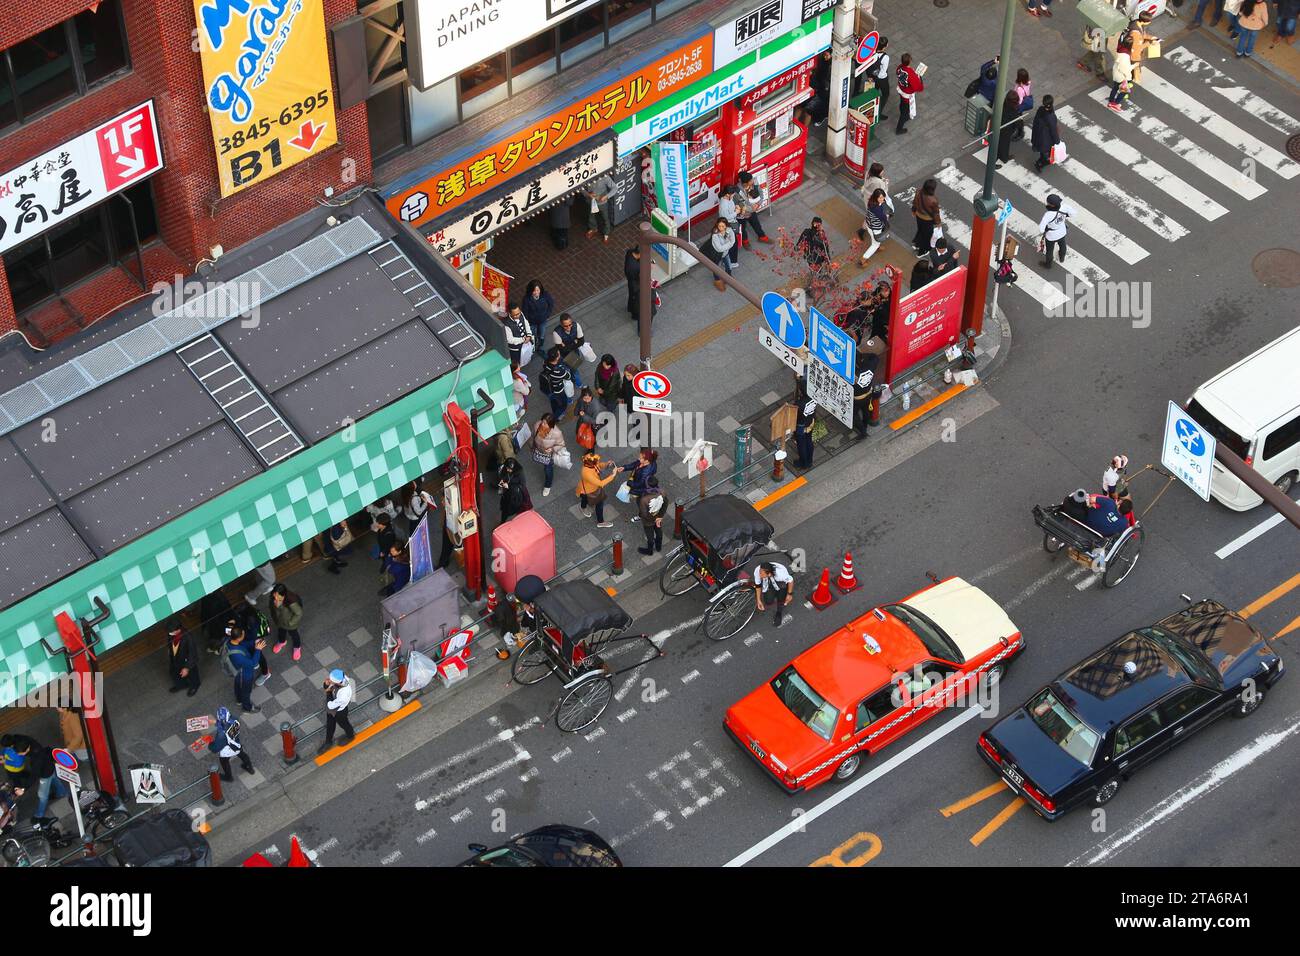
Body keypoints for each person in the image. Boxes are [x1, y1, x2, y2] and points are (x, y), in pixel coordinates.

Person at [2, 736, 69, 822]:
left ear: (26, 750)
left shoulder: (36, 759)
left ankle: (39, 815)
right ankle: (61, 792)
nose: (18, 754)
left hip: (45, 774)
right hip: (49, 765)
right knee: (54, 778)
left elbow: (34, 775)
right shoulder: (26, 742)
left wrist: (23, 788)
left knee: (42, 795)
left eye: (20, 753)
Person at [226, 626, 264, 714]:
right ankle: (247, 708)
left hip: (236, 670)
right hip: (244, 674)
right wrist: (258, 650)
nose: (244, 635)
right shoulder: (238, 656)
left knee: (238, 685)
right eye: (243, 634)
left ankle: (239, 699)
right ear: (239, 638)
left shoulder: (229, 642)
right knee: (246, 691)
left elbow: (242, 645)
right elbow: (253, 663)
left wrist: (254, 642)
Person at [577, 452, 619, 528]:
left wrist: (606, 464)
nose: (598, 462)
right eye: (597, 461)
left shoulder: (589, 465)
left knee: (585, 497)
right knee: (599, 504)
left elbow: (598, 465)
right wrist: (612, 475)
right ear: (592, 463)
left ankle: (583, 508)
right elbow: (601, 483)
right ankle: (600, 522)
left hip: (585, 488)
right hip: (591, 490)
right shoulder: (587, 473)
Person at [318, 669, 356, 754]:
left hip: (340, 711)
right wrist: (328, 685)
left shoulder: (343, 694)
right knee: (330, 724)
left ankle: (350, 736)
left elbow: (330, 705)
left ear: (338, 683)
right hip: (335, 704)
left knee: (344, 724)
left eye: (331, 681)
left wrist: (328, 692)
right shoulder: (343, 678)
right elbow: (330, 686)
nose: (329, 681)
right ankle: (328, 742)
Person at [212, 707, 254, 781]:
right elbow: (226, 724)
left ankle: (228, 777)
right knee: (242, 754)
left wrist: (211, 745)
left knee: (224, 761)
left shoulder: (221, 733)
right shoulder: (235, 720)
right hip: (236, 744)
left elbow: (216, 748)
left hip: (227, 749)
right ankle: (250, 768)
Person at [1037, 193, 1076, 269]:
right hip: (1062, 231)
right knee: (1062, 245)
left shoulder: (1048, 214)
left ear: (1051, 205)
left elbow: (1041, 229)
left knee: (1049, 251)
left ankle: (1048, 265)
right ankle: (1062, 258)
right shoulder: (1065, 207)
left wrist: (1046, 229)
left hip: (1051, 235)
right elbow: (1074, 214)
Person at [549, 313, 587, 389]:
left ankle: (578, 383)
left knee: (574, 369)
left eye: (570, 324)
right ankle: (576, 383)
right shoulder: (556, 332)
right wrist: (575, 342)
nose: (569, 327)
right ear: (561, 324)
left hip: (573, 353)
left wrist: (566, 346)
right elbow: (562, 349)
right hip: (563, 355)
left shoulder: (576, 325)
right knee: (569, 370)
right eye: (566, 326)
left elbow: (581, 341)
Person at [532, 413, 566, 497]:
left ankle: (548, 485)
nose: (542, 424)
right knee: (545, 466)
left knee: (548, 470)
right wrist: (532, 446)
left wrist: (553, 449)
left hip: (549, 455)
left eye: (545, 423)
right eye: (542, 422)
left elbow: (561, 445)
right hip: (538, 450)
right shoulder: (537, 425)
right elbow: (533, 436)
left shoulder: (557, 433)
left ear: (551, 424)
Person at [166, 617, 201, 697]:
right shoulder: (171, 633)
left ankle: (194, 685)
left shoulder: (188, 637)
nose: (170, 633)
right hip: (176, 659)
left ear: (178, 630)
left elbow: (192, 654)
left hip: (187, 661)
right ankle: (181, 685)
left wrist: (187, 668)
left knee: (193, 674)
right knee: (173, 672)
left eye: (172, 631)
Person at [269, 584, 304, 661]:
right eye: (275, 594)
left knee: (294, 635)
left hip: (290, 624)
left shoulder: (291, 600)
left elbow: (299, 613)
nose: (275, 597)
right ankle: (282, 642)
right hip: (280, 622)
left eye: (278, 596)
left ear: (284, 595)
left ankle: (297, 647)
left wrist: (290, 623)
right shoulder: (273, 598)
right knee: (281, 632)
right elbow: (273, 610)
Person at [620, 448, 659, 518]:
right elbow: (635, 464)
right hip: (640, 485)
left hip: (642, 490)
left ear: (647, 461)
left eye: (640, 458)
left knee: (641, 502)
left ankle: (642, 515)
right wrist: (624, 468)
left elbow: (639, 484)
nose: (638, 458)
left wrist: (630, 483)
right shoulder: (645, 462)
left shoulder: (646, 473)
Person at [735, 171, 772, 246]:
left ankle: (762, 237)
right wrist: (753, 209)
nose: (753, 181)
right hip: (742, 214)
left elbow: (761, 193)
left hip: (752, 210)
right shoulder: (737, 191)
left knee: (756, 224)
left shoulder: (754, 183)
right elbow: (741, 205)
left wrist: (758, 204)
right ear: (745, 183)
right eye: (751, 180)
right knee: (742, 228)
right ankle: (745, 241)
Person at [540, 346, 576, 420]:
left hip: (548, 387)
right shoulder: (559, 371)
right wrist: (565, 368)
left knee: (553, 402)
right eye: (559, 354)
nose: (560, 355)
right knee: (563, 405)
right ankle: (554, 418)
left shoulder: (545, 362)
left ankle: (555, 411)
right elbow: (568, 376)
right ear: (556, 358)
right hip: (557, 390)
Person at [755, 562, 795, 628]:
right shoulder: (757, 571)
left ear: (769, 574)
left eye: (761, 573)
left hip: (781, 582)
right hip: (769, 579)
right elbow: (758, 586)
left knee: (781, 597)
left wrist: (789, 594)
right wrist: (758, 600)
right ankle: (773, 590)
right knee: (768, 601)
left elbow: (790, 580)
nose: (759, 575)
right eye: (760, 572)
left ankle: (779, 613)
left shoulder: (780, 575)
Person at [796, 216, 833, 287]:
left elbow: (799, 243)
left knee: (813, 268)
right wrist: (828, 260)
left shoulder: (806, 232)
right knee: (818, 269)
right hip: (818, 257)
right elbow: (825, 248)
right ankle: (818, 280)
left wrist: (797, 247)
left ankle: (816, 278)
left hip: (809, 256)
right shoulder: (821, 235)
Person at [703, 216, 737, 291]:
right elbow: (719, 249)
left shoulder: (729, 230)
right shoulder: (715, 235)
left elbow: (733, 240)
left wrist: (729, 243)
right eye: (719, 226)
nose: (721, 228)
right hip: (717, 255)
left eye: (723, 226)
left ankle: (728, 277)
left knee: (729, 267)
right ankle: (717, 281)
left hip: (726, 253)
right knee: (716, 268)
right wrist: (729, 243)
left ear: (726, 226)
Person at [910, 179, 941, 257]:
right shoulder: (933, 200)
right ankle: (923, 251)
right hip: (927, 220)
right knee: (927, 236)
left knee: (920, 230)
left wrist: (913, 211)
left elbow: (915, 202)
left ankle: (917, 244)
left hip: (918, 216)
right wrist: (938, 223)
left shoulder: (918, 191)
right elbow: (935, 213)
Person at [895, 53, 924, 134]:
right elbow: (919, 87)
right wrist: (919, 78)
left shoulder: (900, 67)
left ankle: (903, 114)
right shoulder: (911, 73)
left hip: (901, 89)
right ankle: (899, 129)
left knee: (902, 104)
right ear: (910, 61)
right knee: (905, 111)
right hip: (907, 95)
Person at [637, 476, 668, 554]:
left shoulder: (644, 499)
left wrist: (654, 520)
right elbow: (665, 504)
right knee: (659, 532)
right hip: (658, 517)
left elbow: (644, 514)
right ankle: (658, 547)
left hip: (648, 521)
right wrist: (660, 517)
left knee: (650, 537)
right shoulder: (662, 492)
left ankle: (650, 551)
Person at [859, 188, 890, 261]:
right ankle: (863, 259)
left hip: (870, 224)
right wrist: (887, 216)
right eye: (881, 198)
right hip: (875, 228)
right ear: (876, 198)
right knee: (875, 244)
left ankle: (877, 246)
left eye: (883, 197)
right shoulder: (877, 209)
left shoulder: (871, 202)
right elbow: (884, 218)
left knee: (874, 239)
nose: (883, 199)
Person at [520, 280, 555, 344]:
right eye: (534, 290)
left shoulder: (545, 295)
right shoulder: (526, 299)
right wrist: (528, 321)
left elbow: (551, 304)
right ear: (530, 290)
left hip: (543, 320)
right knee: (532, 334)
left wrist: (547, 315)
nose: (536, 292)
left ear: (540, 289)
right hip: (532, 322)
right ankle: (534, 343)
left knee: (542, 334)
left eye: (537, 290)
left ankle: (540, 345)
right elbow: (525, 311)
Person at [1031, 95, 1060, 172]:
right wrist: (1057, 141)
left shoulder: (1040, 109)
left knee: (1042, 151)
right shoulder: (1051, 116)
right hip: (1046, 138)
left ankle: (1042, 161)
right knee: (1046, 152)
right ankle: (1040, 163)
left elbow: (1035, 121)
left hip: (1038, 134)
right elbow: (1053, 131)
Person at [498, 457, 532, 522]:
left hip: (515, 495)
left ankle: (505, 520)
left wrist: (509, 486)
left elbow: (522, 485)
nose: (507, 470)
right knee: (505, 508)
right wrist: (503, 479)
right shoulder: (506, 468)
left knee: (508, 509)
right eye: (507, 468)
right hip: (507, 493)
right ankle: (503, 520)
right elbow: (504, 474)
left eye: (509, 469)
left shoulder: (520, 473)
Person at [584, 172, 616, 241]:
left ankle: (606, 233)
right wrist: (587, 194)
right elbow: (579, 187)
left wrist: (607, 196)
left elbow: (615, 188)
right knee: (591, 216)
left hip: (602, 202)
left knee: (605, 217)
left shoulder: (604, 176)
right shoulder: (585, 175)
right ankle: (593, 228)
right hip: (590, 201)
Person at [717, 186, 743, 267]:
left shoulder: (728, 198)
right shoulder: (723, 204)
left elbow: (731, 205)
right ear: (728, 194)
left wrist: (736, 207)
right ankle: (731, 262)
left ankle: (730, 260)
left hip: (730, 223)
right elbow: (726, 217)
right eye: (733, 194)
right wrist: (736, 212)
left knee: (730, 242)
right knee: (732, 243)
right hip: (728, 225)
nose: (734, 195)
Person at [997, 88, 1022, 167]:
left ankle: (1004, 157)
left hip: (1000, 126)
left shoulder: (1004, 103)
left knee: (1001, 144)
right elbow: (1017, 122)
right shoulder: (1012, 111)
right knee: (1003, 145)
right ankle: (1002, 158)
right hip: (1005, 130)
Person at [869, 36, 891, 120]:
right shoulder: (885, 58)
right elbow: (883, 72)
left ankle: (871, 106)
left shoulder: (872, 52)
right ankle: (878, 112)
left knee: (874, 92)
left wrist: (871, 76)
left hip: (873, 76)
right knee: (885, 94)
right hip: (882, 79)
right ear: (885, 46)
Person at [794, 392, 817, 469]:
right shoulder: (814, 397)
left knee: (801, 445)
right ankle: (809, 461)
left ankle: (803, 463)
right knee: (809, 441)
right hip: (810, 422)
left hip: (801, 426)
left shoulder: (799, 404)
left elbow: (795, 416)